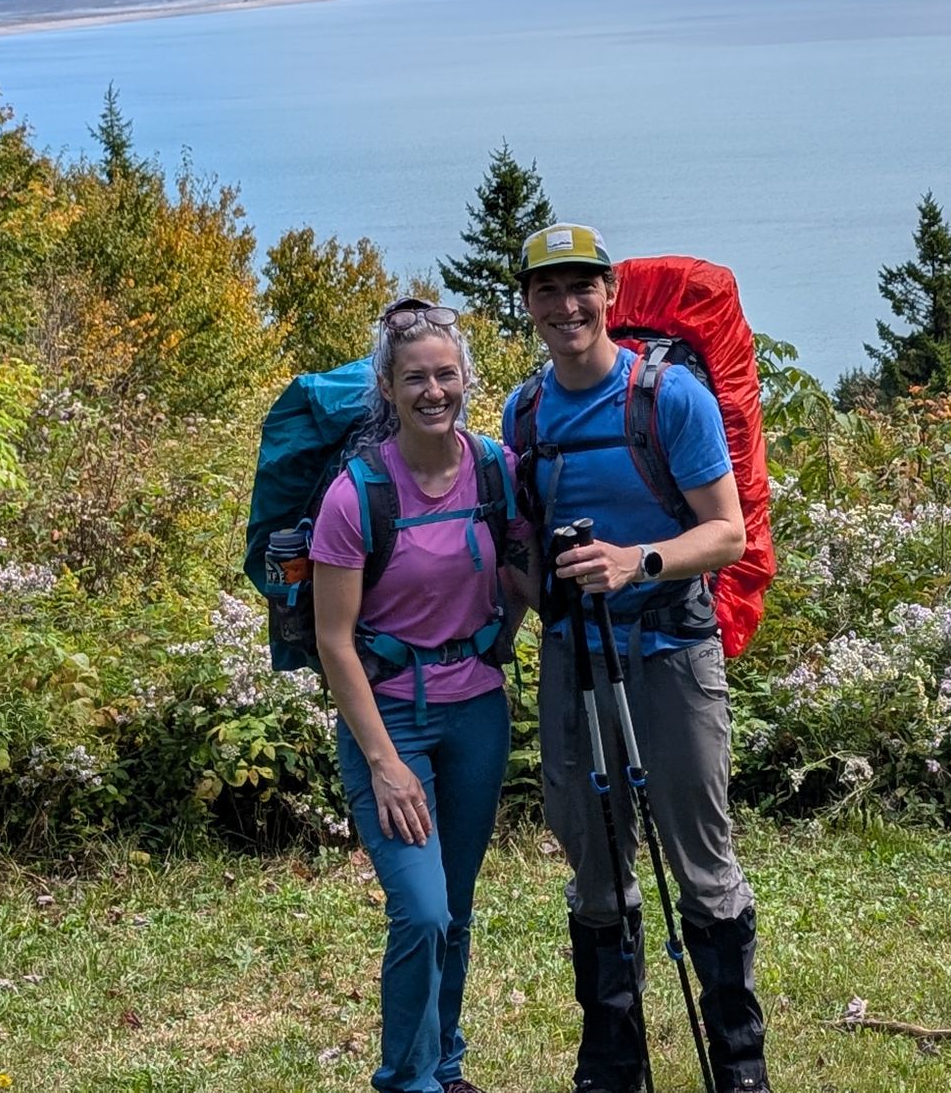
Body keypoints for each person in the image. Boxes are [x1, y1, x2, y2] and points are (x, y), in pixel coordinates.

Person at [506, 222, 772, 1093]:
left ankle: (737, 1064)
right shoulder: (524, 413)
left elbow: (727, 533)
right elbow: (521, 545)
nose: (567, 305)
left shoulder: (670, 399)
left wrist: (637, 561)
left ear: (610, 295)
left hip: (669, 647)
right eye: (548, 291)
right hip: (572, 651)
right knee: (593, 858)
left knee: (701, 855)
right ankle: (611, 1062)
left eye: (581, 287)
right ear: (529, 306)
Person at [311, 297, 528, 1093]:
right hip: (390, 717)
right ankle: (408, 1081)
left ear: (466, 376)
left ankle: (446, 1066)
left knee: (456, 908)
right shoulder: (357, 494)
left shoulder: (495, 469)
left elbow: (518, 575)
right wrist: (384, 762)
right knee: (422, 911)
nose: (434, 391)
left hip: (478, 713)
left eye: (445, 374)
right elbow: (335, 640)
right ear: (388, 388)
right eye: (415, 379)